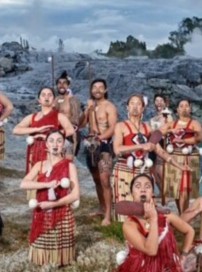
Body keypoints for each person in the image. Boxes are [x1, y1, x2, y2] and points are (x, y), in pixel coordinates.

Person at [92, 173, 194, 272]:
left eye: (147, 186)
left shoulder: (166, 215)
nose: (143, 189)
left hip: (165, 268)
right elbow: (151, 250)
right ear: (132, 193)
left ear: (152, 192)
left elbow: (189, 231)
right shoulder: (129, 224)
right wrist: (153, 220)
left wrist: (183, 255)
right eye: (138, 186)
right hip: (141, 270)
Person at [112, 93, 184, 222]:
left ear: (143, 108)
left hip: (142, 171)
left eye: (138, 104)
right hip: (124, 169)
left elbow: (159, 151)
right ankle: (123, 231)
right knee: (125, 206)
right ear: (127, 107)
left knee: (143, 205)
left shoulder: (147, 127)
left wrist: (179, 165)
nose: (135, 107)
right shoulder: (120, 126)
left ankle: (144, 228)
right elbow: (117, 149)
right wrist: (141, 146)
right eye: (132, 103)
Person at [20, 130, 81, 266]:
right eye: (51, 141)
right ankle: (43, 258)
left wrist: (53, 205)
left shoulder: (69, 166)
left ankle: (60, 260)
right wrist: (46, 184)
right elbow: (24, 184)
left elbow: (75, 195)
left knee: (61, 257)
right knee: (41, 252)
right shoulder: (39, 165)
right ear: (46, 145)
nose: (55, 144)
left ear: (63, 145)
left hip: (61, 212)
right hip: (42, 210)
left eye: (59, 141)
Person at [13, 86, 75, 187]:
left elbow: (70, 130)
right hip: (34, 151)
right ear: (39, 99)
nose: (46, 97)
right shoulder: (32, 117)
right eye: (43, 95)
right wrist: (36, 129)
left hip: (52, 150)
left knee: (52, 176)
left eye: (50, 95)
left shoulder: (58, 116)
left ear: (54, 99)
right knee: (34, 177)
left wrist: (49, 137)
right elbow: (16, 130)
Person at [78, 78, 117, 225]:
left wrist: (100, 138)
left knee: (105, 180)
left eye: (101, 87)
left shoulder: (109, 107)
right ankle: (101, 208)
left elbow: (112, 128)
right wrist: (87, 109)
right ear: (91, 90)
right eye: (95, 87)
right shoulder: (90, 105)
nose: (97, 90)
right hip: (90, 145)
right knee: (96, 179)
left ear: (105, 90)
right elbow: (81, 124)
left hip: (104, 146)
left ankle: (108, 214)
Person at [161, 98, 202, 214]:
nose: (184, 108)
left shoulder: (195, 123)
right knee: (175, 190)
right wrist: (171, 131)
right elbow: (160, 132)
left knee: (185, 189)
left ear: (190, 109)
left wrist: (183, 139)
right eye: (181, 106)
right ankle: (182, 214)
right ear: (177, 110)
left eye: (186, 106)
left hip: (189, 158)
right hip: (174, 158)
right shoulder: (172, 124)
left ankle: (183, 215)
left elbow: (199, 138)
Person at [148, 93, 174, 191]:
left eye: (161, 101)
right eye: (156, 101)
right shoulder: (153, 118)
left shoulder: (167, 116)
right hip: (152, 143)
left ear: (164, 103)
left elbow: (171, 129)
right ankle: (161, 191)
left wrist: (161, 131)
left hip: (162, 142)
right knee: (153, 170)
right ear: (154, 103)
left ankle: (167, 192)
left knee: (160, 170)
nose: (158, 103)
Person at [53, 71, 83, 158]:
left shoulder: (73, 100)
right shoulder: (55, 99)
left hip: (69, 135)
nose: (61, 85)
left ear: (68, 85)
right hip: (56, 133)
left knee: (67, 162)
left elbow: (75, 120)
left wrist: (66, 132)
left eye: (64, 83)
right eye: (59, 83)